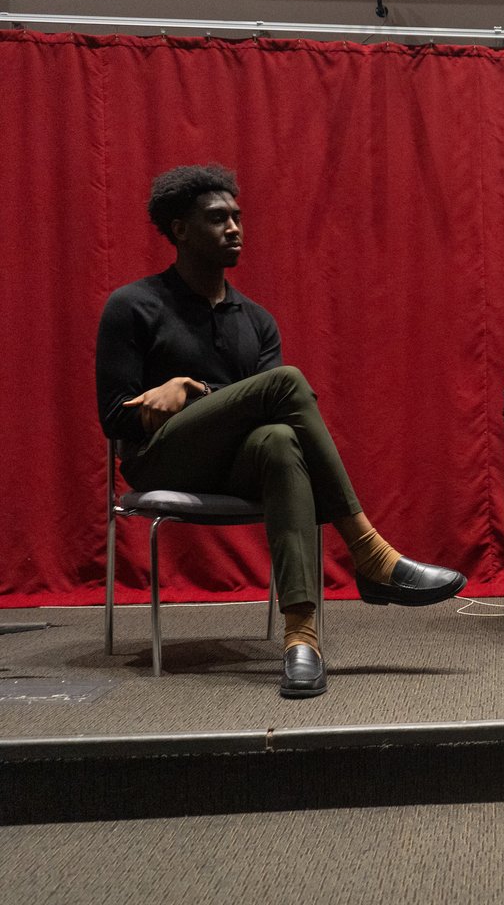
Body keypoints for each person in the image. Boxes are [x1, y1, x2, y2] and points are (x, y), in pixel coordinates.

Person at [96, 165, 467, 699]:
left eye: (238, 218)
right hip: (160, 457)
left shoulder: (256, 320)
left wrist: (192, 391)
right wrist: (182, 394)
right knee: (286, 382)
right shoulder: (132, 307)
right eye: (217, 218)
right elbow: (113, 418)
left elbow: (268, 416)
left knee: (281, 441)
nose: (234, 228)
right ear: (179, 229)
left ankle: (302, 639)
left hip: (235, 464)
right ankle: (370, 553)